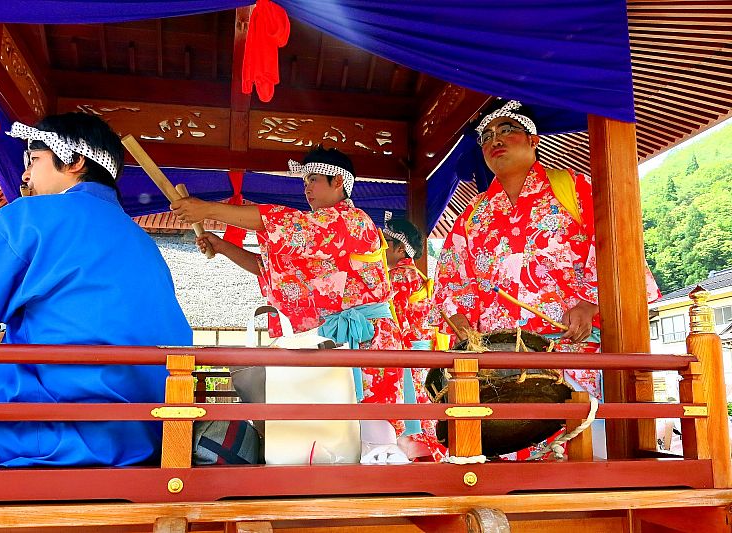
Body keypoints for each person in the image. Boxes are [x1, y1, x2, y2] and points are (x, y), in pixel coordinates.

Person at [0, 112, 192, 468]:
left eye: (34, 159)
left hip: (52, 438)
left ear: (74, 161)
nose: (25, 174)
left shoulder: (34, 217)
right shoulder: (144, 243)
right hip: (145, 440)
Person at [171, 146, 408, 438]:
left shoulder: (352, 221)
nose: (306, 188)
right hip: (339, 341)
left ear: (338, 182)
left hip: (366, 339)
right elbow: (268, 269)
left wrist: (207, 209)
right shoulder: (317, 231)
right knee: (337, 435)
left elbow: (280, 222)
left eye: (313, 179)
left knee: (373, 432)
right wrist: (222, 246)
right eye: (305, 181)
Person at [431, 99, 660, 402]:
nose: (494, 140)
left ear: (533, 140)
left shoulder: (574, 189)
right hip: (500, 365)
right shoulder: (472, 216)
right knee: (508, 432)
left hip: (570, 352)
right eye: (486, 136)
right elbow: (451, 281)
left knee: (580, 429)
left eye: (506, 129)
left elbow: (621, 252)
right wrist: (458, 319)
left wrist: (591, 305)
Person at [383, 216, 446, 461]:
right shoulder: (412, 274)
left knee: (412, 410)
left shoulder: (400, 276)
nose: (381, 247)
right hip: (420, 352)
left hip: (408, 352)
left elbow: (395, 322)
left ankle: (419, 456)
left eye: (386, 241)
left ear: (400, 249)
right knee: (422, 409)